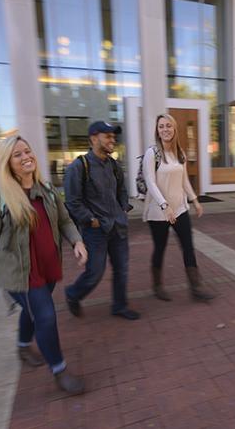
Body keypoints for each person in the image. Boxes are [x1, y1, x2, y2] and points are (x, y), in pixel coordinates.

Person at [0, 135, 87, 395]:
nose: (26, 157)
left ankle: (23, 345)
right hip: (18, 271)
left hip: (46, 267)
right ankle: (60, 370)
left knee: (33, 311)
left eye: (28, 151)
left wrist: (77, 242)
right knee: (45, 315)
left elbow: (65, 220)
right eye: (17, 155)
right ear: (6, 163)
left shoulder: (45, 189)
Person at [63, 121, 140, 320]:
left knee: (121, 270)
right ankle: (73, 294)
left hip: (118, 227)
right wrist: (91, 219)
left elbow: (122, 191)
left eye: (113, 137)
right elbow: (72, 201)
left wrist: (123, 209)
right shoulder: (79, 166)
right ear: (94, 138)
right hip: (95, 230)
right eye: (107, 136)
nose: (112, 140)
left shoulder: (114, 165)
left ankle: (119, 306)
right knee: (95, 273)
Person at [142, 113, 216, 302]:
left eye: (168, 126)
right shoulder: (152, 153)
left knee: (188, 247)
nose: (165, 129)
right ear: (157, 131)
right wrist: (164, 206)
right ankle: (157, 285)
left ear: (174, 129)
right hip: (159, 212)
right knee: (160, 247)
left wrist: (195, 200)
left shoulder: (179, 153)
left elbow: (184, 181)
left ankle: (196, 288)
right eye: (161, 127)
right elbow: (150, 182)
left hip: (180, 209)